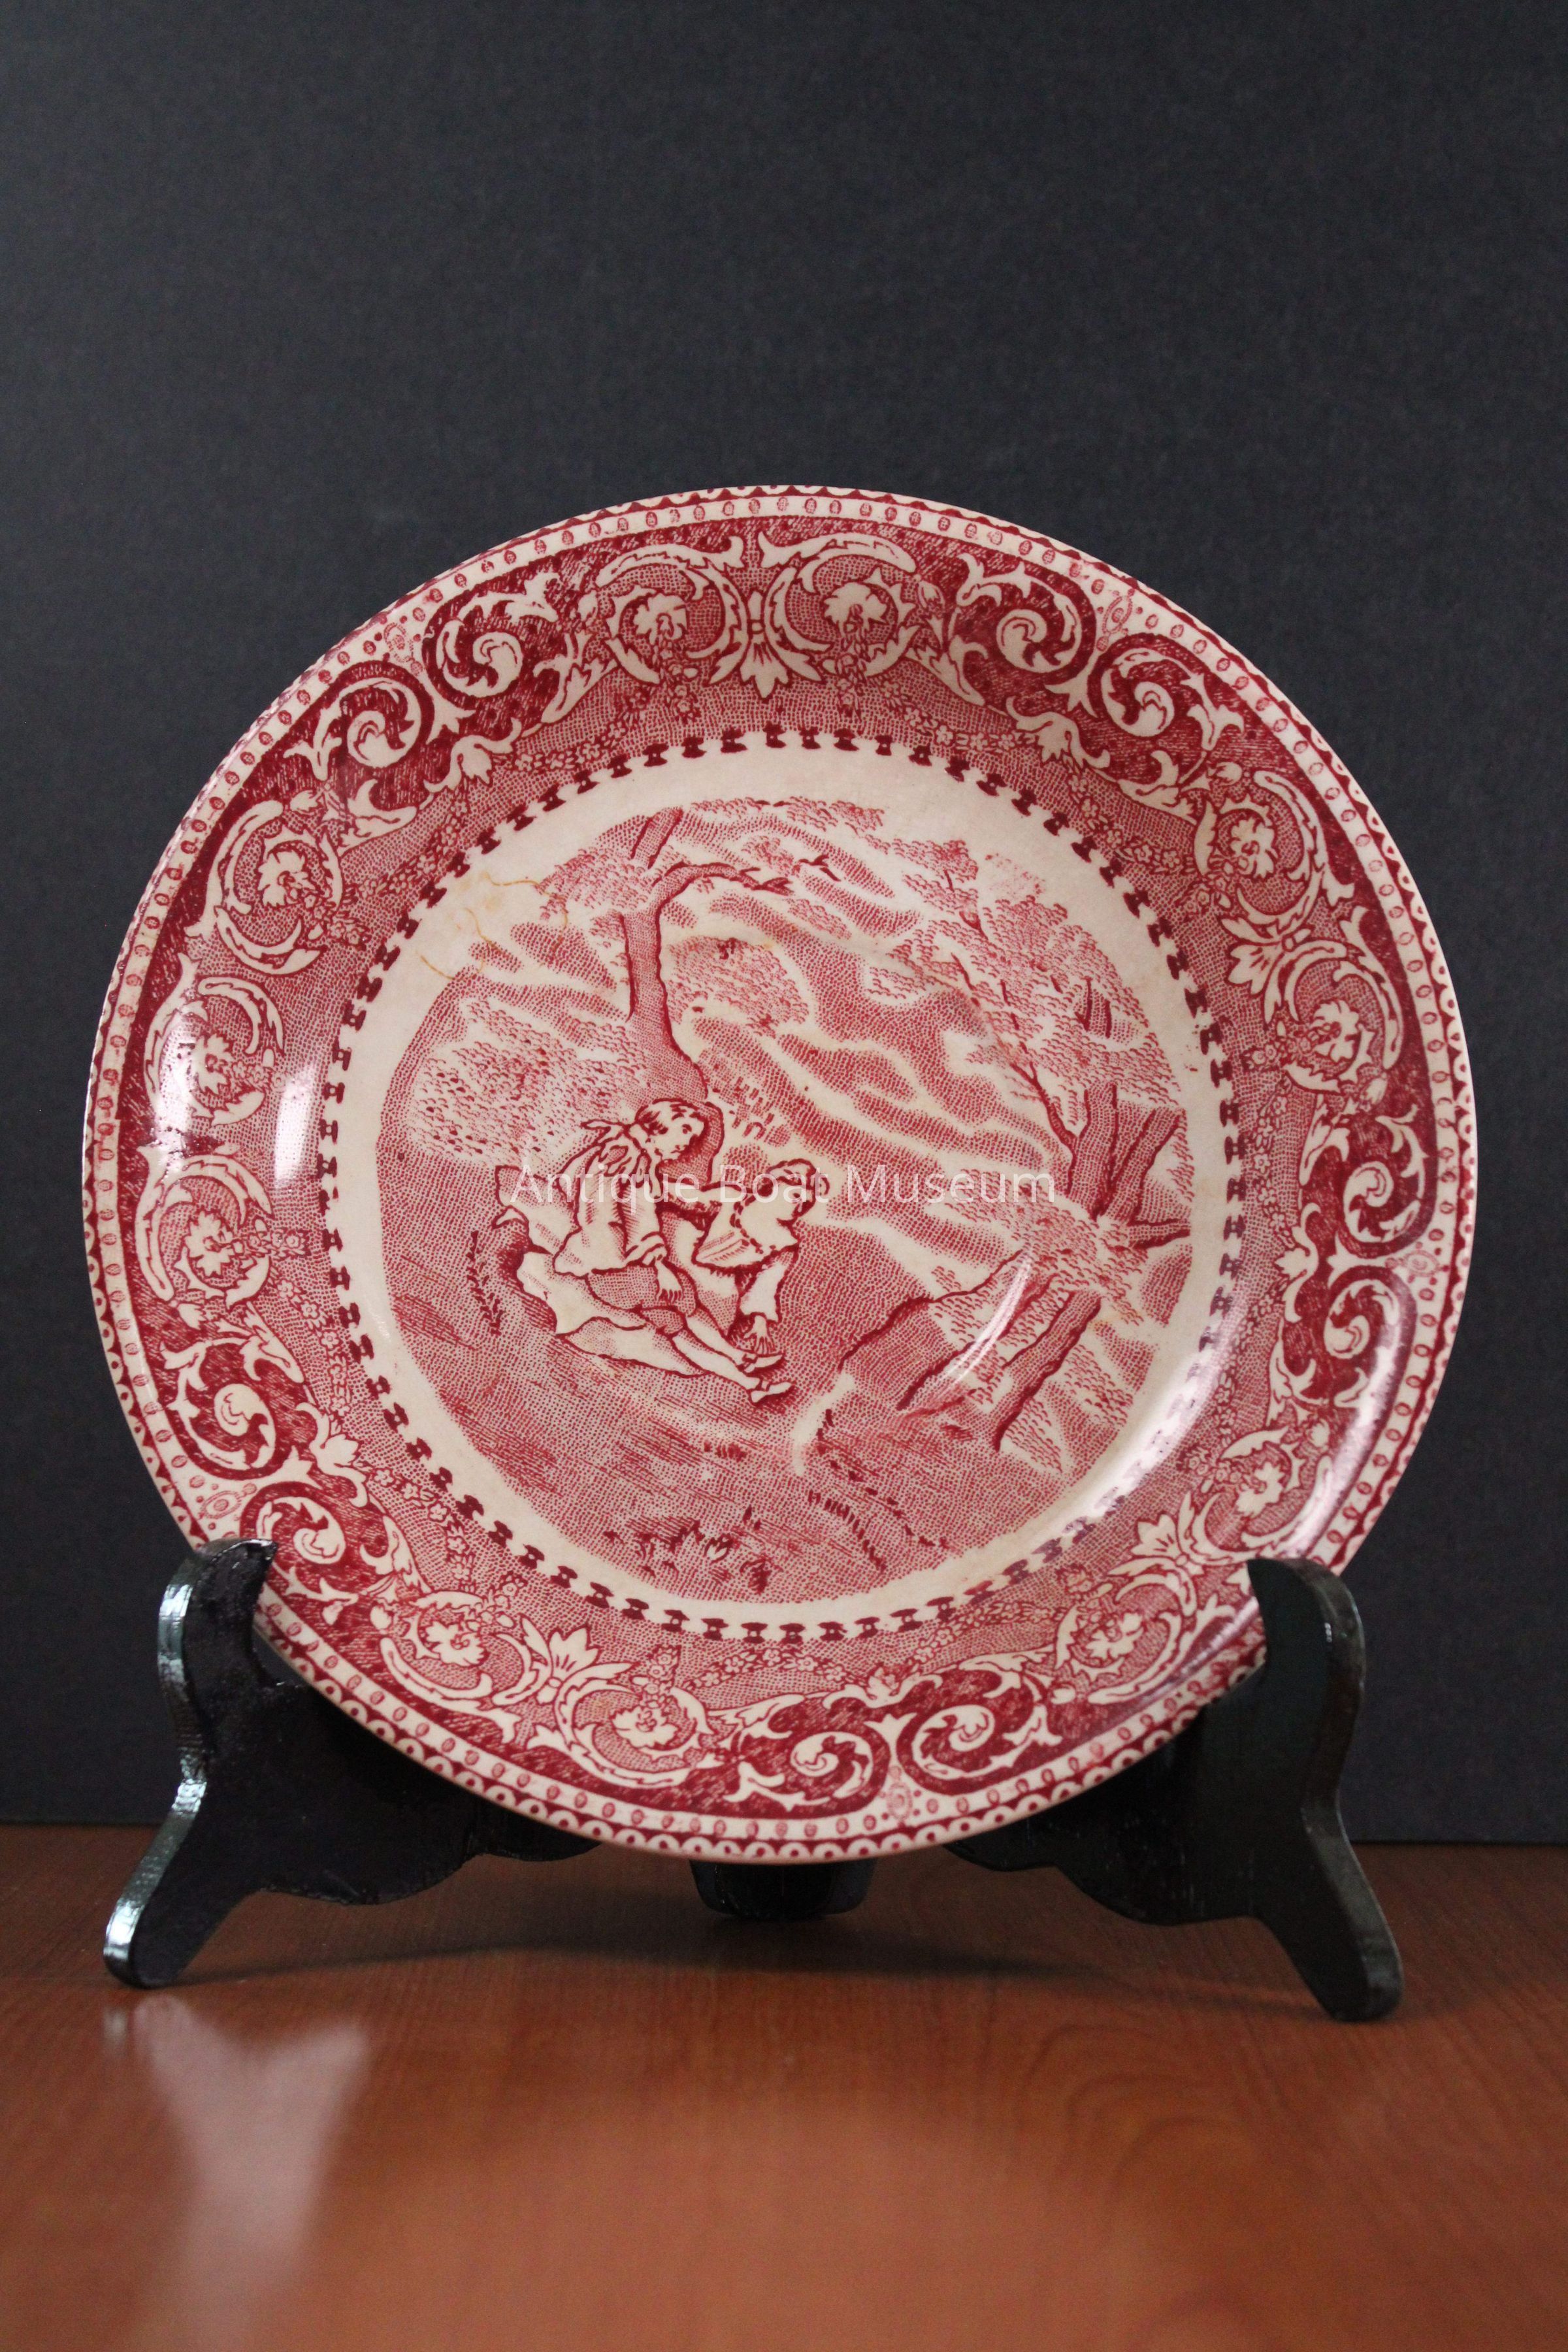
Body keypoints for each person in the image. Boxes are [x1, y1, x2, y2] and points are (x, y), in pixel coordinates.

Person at [502, 1099, 793, 1401]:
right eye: (684, 1130)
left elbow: (660, 1190)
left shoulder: (622, 1151)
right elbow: (639, 1216)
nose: (687, 1143)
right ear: (661, 1124)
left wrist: (707, 1196)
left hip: (605, 1272)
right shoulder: (634, 1161)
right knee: (687, 1305)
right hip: (621, 1266)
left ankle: (751, 1383)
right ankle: (742, 1363)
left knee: (679, 1330)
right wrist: (661, 1268)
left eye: (693, 1137)